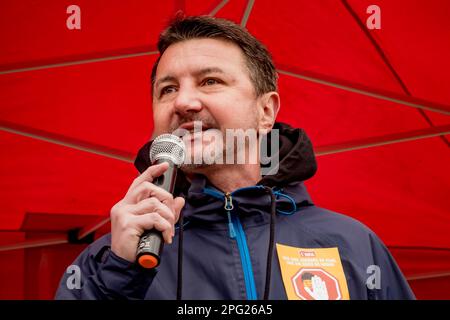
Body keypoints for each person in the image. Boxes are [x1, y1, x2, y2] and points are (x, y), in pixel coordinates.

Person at [55, 15, 415, 300]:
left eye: (210, 81)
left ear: (265, 111)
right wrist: (120, 276)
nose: (183, 102)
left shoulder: (352, 244)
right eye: (168, 89)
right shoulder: (108, 262)